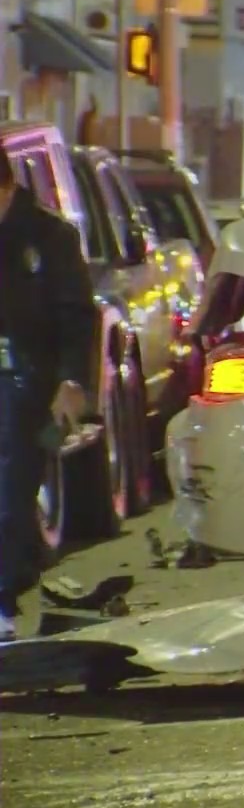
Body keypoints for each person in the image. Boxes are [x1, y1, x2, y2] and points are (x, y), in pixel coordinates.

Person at [0, 157, 94, 642]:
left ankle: (3, 604)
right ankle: (22, 568)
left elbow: (77, 317)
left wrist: (72, 381)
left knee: (10, 490)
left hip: (23, 382)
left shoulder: (48, 238)